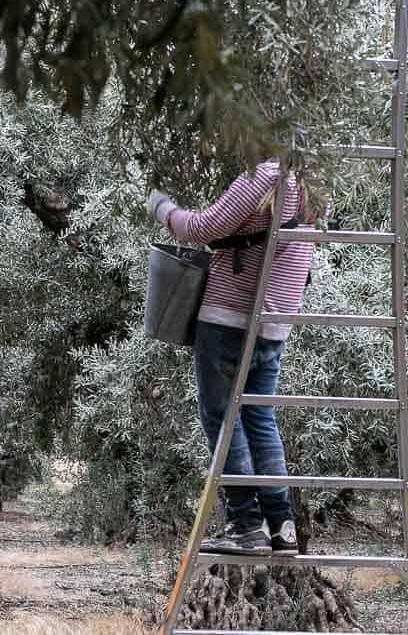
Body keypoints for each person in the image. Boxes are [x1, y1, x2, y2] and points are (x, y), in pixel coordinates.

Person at [147, 158, 315, 556]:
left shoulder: (266, 176)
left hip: (230, 318)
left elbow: (199, 228)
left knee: (222, 418)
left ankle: (245, 524)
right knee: (259, 416)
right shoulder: (313, 182)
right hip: (275, 321)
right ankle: (282, 525)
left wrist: (159, 205)